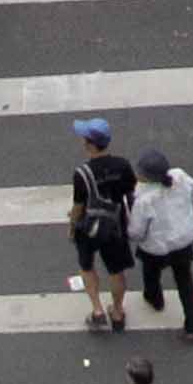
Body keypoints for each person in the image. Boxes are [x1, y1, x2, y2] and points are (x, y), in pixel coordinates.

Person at [130, 150, 193, 340]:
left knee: (151, 274)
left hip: (157, 248)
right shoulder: (180, 177)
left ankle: (155, 299)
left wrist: (134, 238)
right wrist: (189, 217)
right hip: (183, 241)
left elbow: (137, 231)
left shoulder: (143, 199)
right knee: (185, 281)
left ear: (146, 177)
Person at [69, 119, 139, 333]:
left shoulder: (82, 173)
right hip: (115, 226)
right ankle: (117, 312)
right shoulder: (123, 165)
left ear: (89, 144)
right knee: (117, 271)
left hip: (88, 227)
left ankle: (97, 311)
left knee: (87, 266)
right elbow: (130, 195)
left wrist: (73, 227)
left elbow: (78, 206)